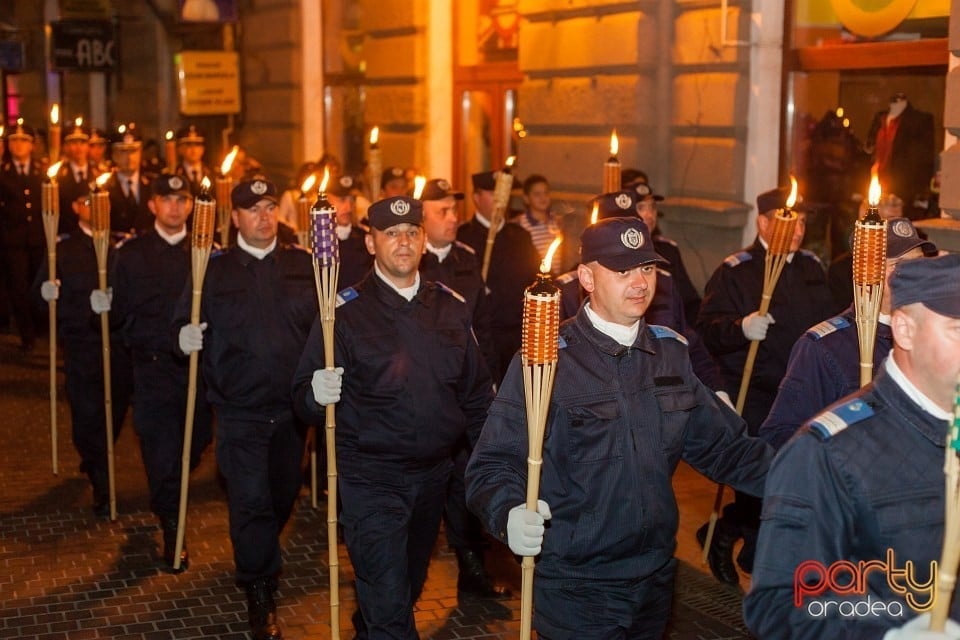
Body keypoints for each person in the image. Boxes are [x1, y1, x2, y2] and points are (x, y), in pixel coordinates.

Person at [466, 216, 773, 639]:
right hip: (577, 584)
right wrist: (508, 513)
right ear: (587, 277)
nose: (640, 282)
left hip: (654, 577)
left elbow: (729, 449)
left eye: (646, 268)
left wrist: (814, 479)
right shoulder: (546, 361)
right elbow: (492, 464)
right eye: (622, 270)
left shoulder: (668, 354)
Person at [292, 195, 494, 639]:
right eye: (391, 233)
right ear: (371, 242)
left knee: (405, 585)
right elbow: (301, 400)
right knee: (388, 601)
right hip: (371, 478)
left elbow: (477, 394)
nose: (402, 242)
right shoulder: (342, 313)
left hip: (433, 478)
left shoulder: (451, 306)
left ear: (422, 240)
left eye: (411, 232)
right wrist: (315, 392)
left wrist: (496, 463)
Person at [743, 253, 960, 639]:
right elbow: (782, 605)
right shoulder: (828, 452)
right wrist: (891, 631)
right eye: (957, 329)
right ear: (905, 330)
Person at [177, 177, 316, 640]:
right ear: (233, 217)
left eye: (270, 206)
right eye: (252, 208)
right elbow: (181, 319)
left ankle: (259, 553)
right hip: (239, 413)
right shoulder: (210, 270)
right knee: (251, 503)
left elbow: (326, 326)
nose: (263, 216)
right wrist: (184, 336)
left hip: (291, 412)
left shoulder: (303, 265)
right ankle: (260, 590)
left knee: (280, 495)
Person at [695, 185, 835, 585]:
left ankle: (732, 535)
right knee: (764, 483)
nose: (798, 230)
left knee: (796, 483)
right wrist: (740, 327)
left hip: (804, 392)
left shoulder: (810, 266)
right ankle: (760, 561)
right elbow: (707, 330)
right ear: (763, 222)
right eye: (788, 221)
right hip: (757, 394)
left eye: (803, 222)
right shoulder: (736, 270)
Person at [100, 174, 213, 571]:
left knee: (196, 440)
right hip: (152, 372)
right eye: (166, 200)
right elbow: (123, 317)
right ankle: (172, 524)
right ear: (153, 205)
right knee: (162, 452)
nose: (175, 207)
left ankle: (171, 502)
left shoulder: (205, 253)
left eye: (182, 200)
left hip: (197, 372)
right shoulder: (130, 254)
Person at [760, 217, 937, 449]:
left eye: (920, 265)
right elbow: (781, 437)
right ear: (868, 273)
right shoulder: (824, 348)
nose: (917, 276)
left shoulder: (934, 337)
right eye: (901, 266)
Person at [417, 177, 504, 599]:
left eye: (454, 210)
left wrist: (489, 380)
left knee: (470, 475)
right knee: (430, 480)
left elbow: (482, 327)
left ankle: (472, 564)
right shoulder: (410, 265)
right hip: (428, 394)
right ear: (422, 220)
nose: (454, 219)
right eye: (443, 212)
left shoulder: (469, 260)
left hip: (467, 392)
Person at [37, 185, 133, 516]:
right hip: (81, 344)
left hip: (118, 344)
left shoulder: (123, 245)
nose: (96, 207)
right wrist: (46, 293)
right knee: (88, 413)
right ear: (76, 208)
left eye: (102, 201)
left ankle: (97, 454)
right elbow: (38, 296)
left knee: (115, 410)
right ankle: (100, 477)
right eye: (88, 202)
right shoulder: (61, 249)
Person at [457, 169, 540, 385]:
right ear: (476, 198)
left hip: (518, 334)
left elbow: (534, 279)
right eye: (494, 195)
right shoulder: (463, 237)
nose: (500, 201)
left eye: (504, 195)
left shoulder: (520, 237)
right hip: (483, 337)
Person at [630, 178, 703, 322]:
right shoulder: (615, 254)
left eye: (652, 207)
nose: (650, 215)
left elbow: (689, 302)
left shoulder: (668, 250)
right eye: (641, 208)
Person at [0, 122, 44, 353]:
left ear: (32, 145)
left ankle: (38, 326)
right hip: (12, 240)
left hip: (37, 238)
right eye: (14, 141)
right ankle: (27, 334)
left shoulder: (41, 171)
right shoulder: (3, 172)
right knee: (18, 286)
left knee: (37, 284)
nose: (19, 145)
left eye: (24, 141)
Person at [865, 92, 935, 220]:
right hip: (877, 188)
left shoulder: (919, 121)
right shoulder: (880, 119)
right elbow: (871, 151)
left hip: (902, 191)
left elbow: (923, 160)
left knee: (897, 231)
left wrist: (913, 193)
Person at [107, 124, 156, 235]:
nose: (129, 157)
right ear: (114, 155)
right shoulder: (104, 187)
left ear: (140, 153)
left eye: (134, 151)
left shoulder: (153, 184)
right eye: (123, 151)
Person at [328, 174, 373, 289]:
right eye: (342, 200)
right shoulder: (314, 239)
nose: (348, 208)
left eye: (352, 200)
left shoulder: (366, 239)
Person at [56, 121, 99, 235]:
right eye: (73, 143)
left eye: (83, 142)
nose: (78, 147)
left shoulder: (98, 174)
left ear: (89, 146)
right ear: (66, 147)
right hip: (66, 235)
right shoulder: (58, 176)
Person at [514, 174, 562, 274]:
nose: (543, 197)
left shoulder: (556, 221)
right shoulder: (521, 224)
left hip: (555, 278)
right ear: (526, 198)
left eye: (546, 193)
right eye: (537, 194)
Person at [174, 125, 213, 196]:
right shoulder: (174, 173)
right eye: (188, 145)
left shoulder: (213, 173)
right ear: (179, 149)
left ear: (203, 149)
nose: (193, 150)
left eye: (197, 145)